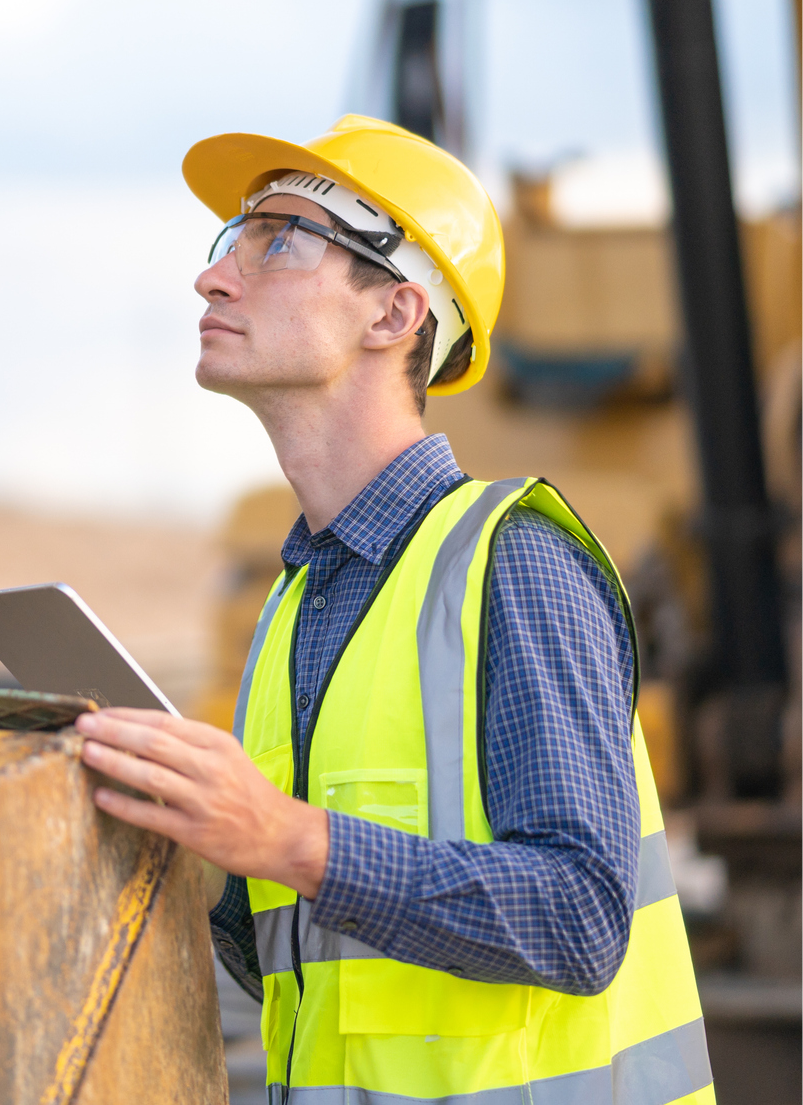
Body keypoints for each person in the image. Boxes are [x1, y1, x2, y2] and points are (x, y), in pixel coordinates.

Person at [75, 116, 711, 1104]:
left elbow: (581, 920)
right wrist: (193, 841)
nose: (214, 277)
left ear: (393, 314)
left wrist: (286, 837)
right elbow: (308, 964)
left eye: (275, 239)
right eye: (227, 243)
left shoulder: (513, 560)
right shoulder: (296, 600)